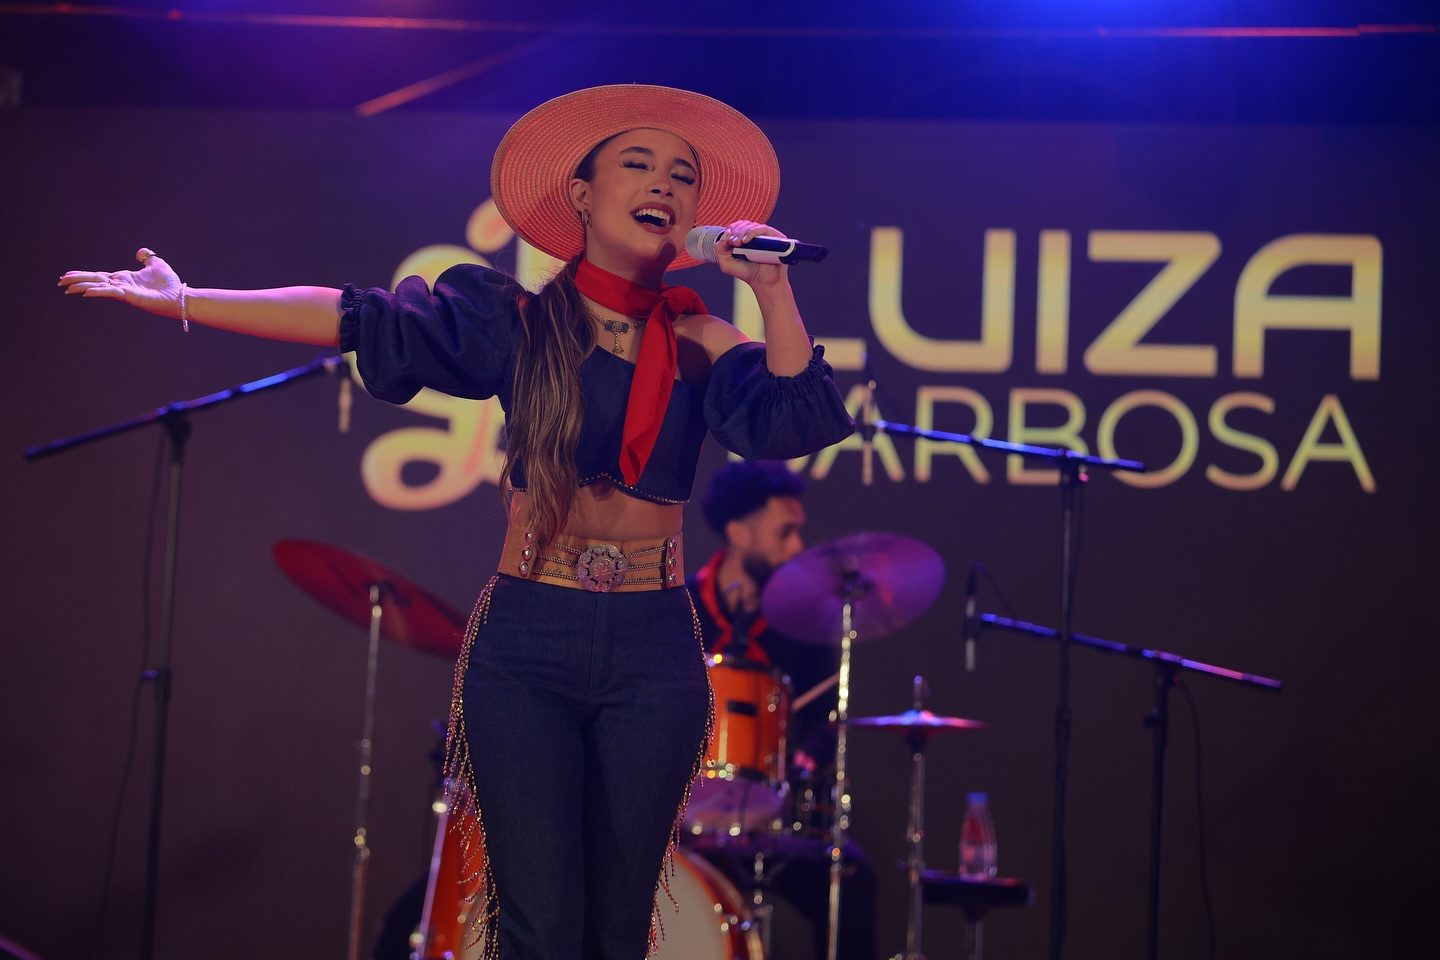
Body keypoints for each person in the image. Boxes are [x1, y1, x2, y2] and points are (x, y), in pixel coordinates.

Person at [59, 84, 854, 960]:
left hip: (653, 647)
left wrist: (772, 290)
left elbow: (795, 416)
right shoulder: (515, 320)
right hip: (530, 637)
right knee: (541, 926)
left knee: (618, 931)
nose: (664, 182)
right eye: (639, 162)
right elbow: (353, 316)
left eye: (682, 173)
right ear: (581, 197)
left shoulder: (702, 339)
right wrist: (185, 298)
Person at [686, 460, 878, 960]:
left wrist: (806, 756)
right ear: (737, 532)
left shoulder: (802, 625)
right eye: (784, 533)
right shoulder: (675, 607)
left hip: (766, 819)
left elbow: (826, 717)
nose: (798, 548)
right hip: (676, 821)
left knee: (850, 877)